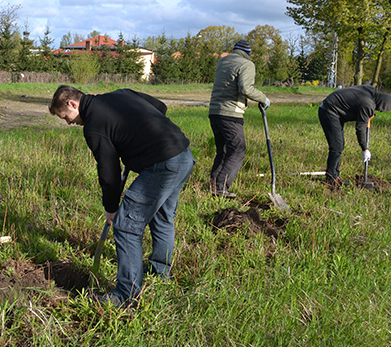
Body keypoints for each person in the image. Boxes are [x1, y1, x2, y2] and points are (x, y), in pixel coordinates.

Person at [49, 85, 194, 307]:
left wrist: (111, 207)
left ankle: (127, 295)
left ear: (72, 104)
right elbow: (159, 107)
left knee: (126, 226)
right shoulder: (121, 93)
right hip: (182, 155)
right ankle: (160, 272)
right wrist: (139, 135)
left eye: (65, 117)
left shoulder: (94, 126)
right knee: (162, 217)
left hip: (163, 165)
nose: (68, 123)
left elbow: (109, 171)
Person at [208, 39, 269, 198]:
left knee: (223, 151)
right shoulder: (246, 64)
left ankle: (214, 185)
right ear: (248, 53)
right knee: (237, 150)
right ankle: (221, 188)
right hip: (231, 114)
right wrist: (263, 98)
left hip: (214, 112)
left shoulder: (223, 62)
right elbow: (245, 88)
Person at [318, 84, 391, 187]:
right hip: (329, 111)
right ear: (381, 105)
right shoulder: (367, 104)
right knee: (337, 146)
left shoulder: (370, 92)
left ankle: (334, 174)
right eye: (381, 109)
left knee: (339, 145)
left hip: (334, 110)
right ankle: (331, 178)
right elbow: (360, 129)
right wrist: (365, 149)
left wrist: (368, 116)